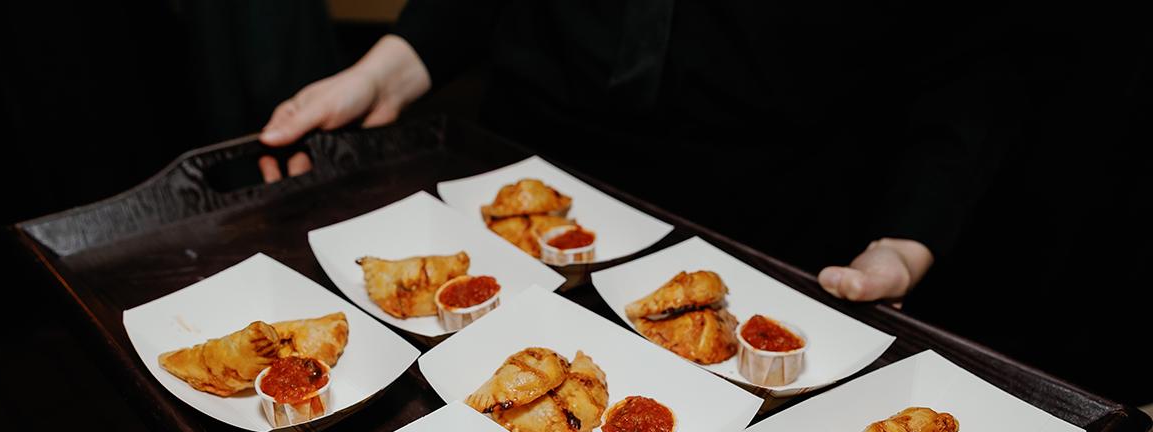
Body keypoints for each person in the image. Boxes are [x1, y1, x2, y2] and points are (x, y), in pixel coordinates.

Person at [258, 1, 1015, 306]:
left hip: (759, 225)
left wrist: (911, 233)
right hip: (520, 180)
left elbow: (968, 64)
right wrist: (390, 68)